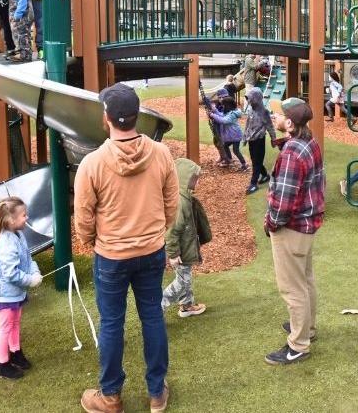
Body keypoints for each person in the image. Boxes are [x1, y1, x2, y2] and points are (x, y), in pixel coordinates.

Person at [74, 83, 178, 413]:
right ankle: (157, 393)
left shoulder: (92, 163)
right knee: (152, 317)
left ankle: (110, 397)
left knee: (111, 324)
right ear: (137, 116)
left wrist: (92, 241)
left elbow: (84, 216)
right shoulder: (161, 153)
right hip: (150, 251)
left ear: (107, 118)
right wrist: (155, 231)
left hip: (112, 257)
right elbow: (172, 203)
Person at [264, 98, 324, 366]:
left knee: (292, 288)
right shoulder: (309, 142)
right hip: (307, 226)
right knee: (305, 279)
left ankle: (298, 345)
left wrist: (271, 223)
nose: (273, 116)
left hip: (293, 227)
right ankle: (306, 328)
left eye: (277, 114)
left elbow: (284, 202)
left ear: (289, 123)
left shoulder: (292, 153)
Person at [0, 195, 43, 379]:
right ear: (10, 220)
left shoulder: (19, 235)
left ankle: (16, 353)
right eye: (23, 215)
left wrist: (34, 273)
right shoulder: (5, 243)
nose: (26, 218)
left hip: (16, 292)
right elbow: (10, 274)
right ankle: (2, 364)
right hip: (5, 295)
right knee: (5, 326)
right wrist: (29, 280)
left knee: (15, 322)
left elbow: (28, 258)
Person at [162, 158, 209, 318]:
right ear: (184, 179)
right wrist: (174, 254)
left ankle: (187, 306)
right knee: (183, 281)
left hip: (185, 248)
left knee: (185, 276)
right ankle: (158, 306)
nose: (198, 182)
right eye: (195, 179)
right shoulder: (180, 201)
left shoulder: (184, 196)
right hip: (180, 251)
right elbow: (172, 230)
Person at [243, 87, 277, 194]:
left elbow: (270, 126)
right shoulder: (251, 110)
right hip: (251, 140)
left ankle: (253, 184)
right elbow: (247, 125)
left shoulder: (264, 112)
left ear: (256, 99)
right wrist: (245, 137)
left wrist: (273, 138)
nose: (248, 101)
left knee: (256, 162)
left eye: (250, 98)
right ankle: (265, 175)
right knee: (255, 160)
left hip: (259, 140)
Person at [203, 92, 247, 171]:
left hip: (235, 136)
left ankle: (244, 164)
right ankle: (229, 159)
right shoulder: (229, 112)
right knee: (225, 146)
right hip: (232, 136)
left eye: (223, 105)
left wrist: (213, 115)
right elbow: (221, 115)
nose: (222, 107)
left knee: (236, 150)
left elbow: (224, 120)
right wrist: (215, 110)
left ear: (228, 106)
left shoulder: (232, 114)